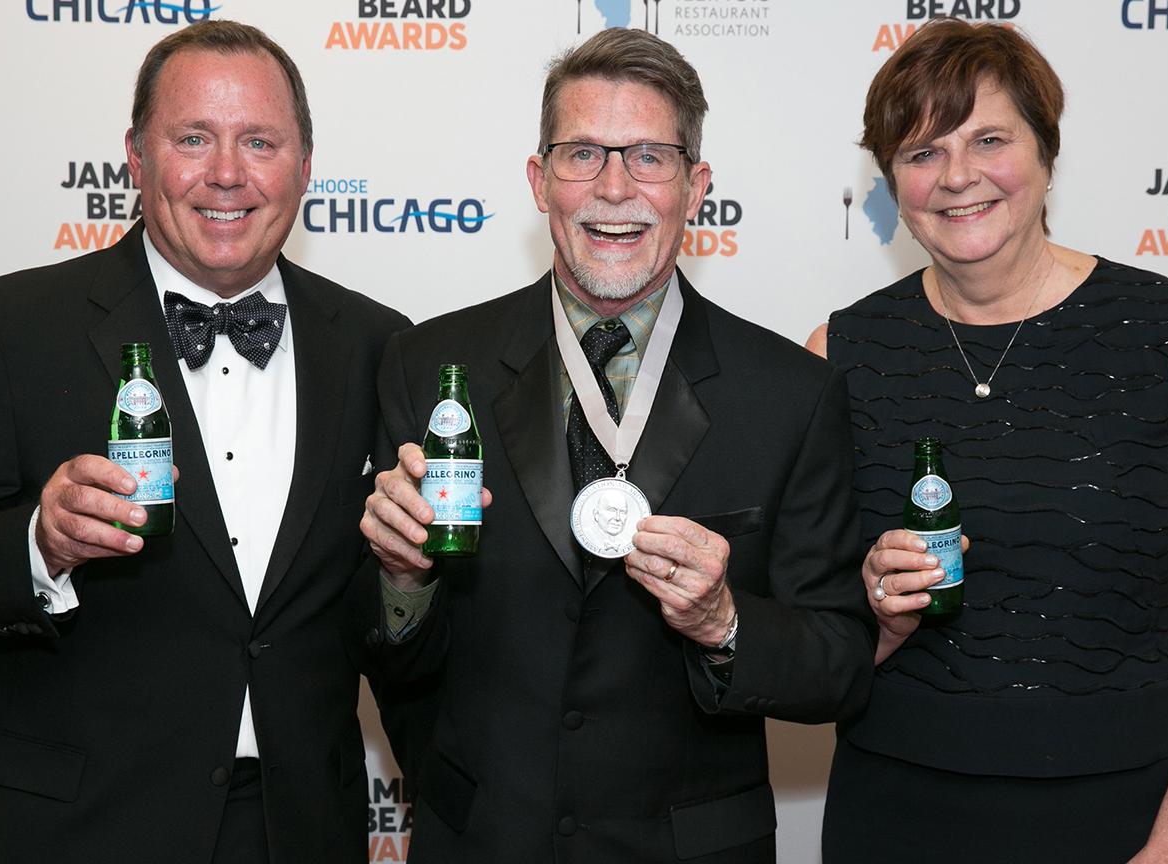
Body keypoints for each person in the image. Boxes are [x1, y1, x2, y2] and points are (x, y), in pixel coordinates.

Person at [0, 21, 409, 864]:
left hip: (298, 829)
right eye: (192, 138)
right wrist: (38, 544)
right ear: (136, 157)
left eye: (258, 141)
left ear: (304, 166)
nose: (226, 173)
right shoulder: (7, 329)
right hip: (81, 830)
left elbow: (385, 611)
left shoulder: (378, 344)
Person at [358, 27, 876, 864]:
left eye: (648, 156)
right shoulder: (428, 367)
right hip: (481, 840)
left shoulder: (791, 393)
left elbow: (842, 662)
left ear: (696, 186)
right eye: (582, 154)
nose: (613, 188)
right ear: (538, 180)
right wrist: (400, 580)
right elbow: (376, 647)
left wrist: (727, 621)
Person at [806, 18, 1168, 864]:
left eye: (989, 139)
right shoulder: (838, 353)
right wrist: (870, 613)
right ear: (893, 180)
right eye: (922, 152)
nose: (957, 175)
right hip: (898, 815)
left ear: (1046, 153)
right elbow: (805, 636)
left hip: (1141, 818)